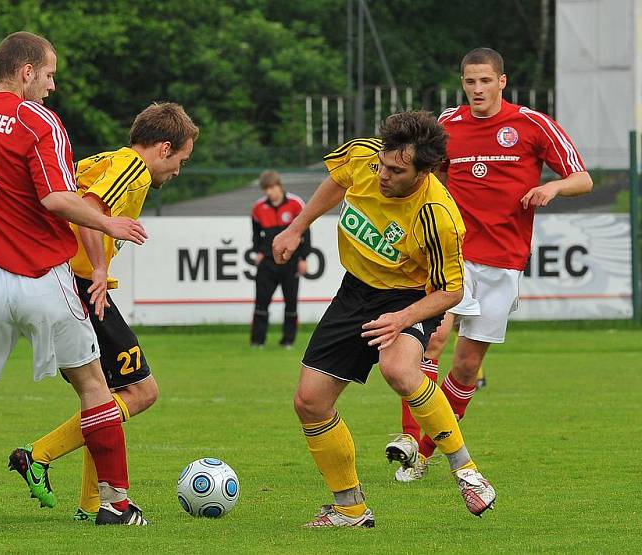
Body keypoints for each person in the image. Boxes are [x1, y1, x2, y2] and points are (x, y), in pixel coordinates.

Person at [0, 31, 150, 529]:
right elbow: (57, 198)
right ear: (26, 70)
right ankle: (116, 503)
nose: (53, 86)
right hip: (42, 277)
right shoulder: (37, 121)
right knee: (94, 387)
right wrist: (108, 222)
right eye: (50, 74)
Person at [272, 111, 496, 527]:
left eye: (396, 170)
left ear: (425, 171)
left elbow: (452, 290)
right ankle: (349, 508)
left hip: (408, 297)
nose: (383, 175)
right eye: (383, 164)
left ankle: (467, 472)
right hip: (354, 292)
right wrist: (297, 227)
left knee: (398, 369)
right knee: (309, 402)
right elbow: (338, 181)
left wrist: (402, 319)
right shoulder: (365, 157)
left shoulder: (438, 216)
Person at [389, 47, 593, 482]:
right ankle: (408, 441)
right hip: (454, 254)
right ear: (462, 83)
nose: (477, 89)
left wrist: (552, 189)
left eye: (485, 81)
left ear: (502, 81)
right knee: (431, 341)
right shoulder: (446, 125)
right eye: (469, 81)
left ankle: (425, 452)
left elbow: (583, 178)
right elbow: (423, 171)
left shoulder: (533, 125)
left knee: (465, 368)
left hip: (503, 261)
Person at [7, 102, 199, 521]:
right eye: (181, 160)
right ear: (164, 148)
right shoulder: (133, 168)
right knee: (142, 392)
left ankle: (93, 504)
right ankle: (39, 456)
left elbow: (75, 201)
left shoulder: (107, 159)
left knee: (105, 396)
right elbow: (89, 212)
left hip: (60, 280)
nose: (178, 171)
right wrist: (97, 269)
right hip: (78, 285)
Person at [250, 170, 310, 348]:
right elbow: (256, 235)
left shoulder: (295, 204)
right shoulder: (258, 208)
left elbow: (305, 233)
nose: (268, 192)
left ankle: (288, 341)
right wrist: (259, 251)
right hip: (268, 263)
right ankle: (257, 341)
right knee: (261, 303)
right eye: (265, 189)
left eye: (271, 188)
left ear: (279, 186)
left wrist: (303, 258)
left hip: (291, 261)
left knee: (291, 304)